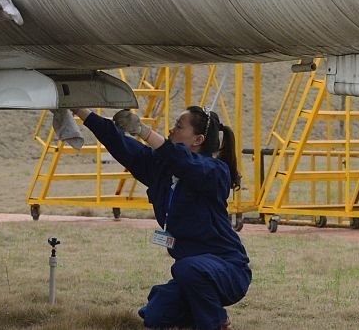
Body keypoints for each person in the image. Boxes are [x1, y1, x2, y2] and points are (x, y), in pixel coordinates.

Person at [72, 105, 250, 330]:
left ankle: (216, 323)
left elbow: (184, 162)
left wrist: (143, 131)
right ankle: (200, 313)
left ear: (198, 139)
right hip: (192, 275)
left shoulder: (215, 172)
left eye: (178, 126)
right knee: (156, 315)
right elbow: (118, 142)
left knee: (187, 268)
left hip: (227, 271)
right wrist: (79, 110)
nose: (172, 130)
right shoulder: (161, 168)